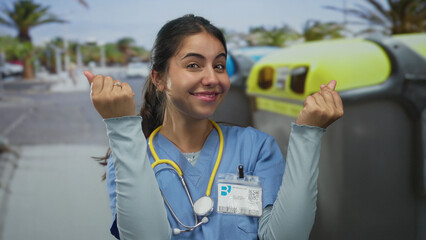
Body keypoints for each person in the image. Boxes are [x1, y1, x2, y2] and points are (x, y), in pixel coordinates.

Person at [84, 14, 343, 240]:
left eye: (219, 66)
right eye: (194, 65)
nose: (211, 78)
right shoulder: (129, 159)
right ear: (159, 78)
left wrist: (309, 133)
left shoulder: (256, 147)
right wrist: (121, 128)